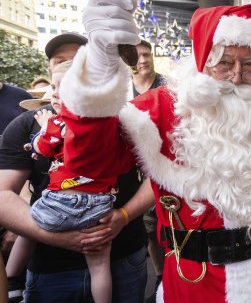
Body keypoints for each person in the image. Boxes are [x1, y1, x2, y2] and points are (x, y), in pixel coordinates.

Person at [51, 0, 251, 302]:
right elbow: (90, 161)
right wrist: (99, 69)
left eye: (250, 65)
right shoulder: (161, 108)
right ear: (202, 62)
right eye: (223, 63)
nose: (237, 76)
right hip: (190, 280)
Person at [0, 32, 148, 303]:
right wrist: (58, 237)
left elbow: (158, 178)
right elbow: (2, 196)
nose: (70, 69)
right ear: (50, 71)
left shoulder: (128, 118)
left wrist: (123, 216)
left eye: (79, 61)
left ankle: (11, 277)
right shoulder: (25, 123)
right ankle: (12, 280)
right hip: (51, 269)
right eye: (61, 61)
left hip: (124, 255)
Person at [27, 60, 118, 303]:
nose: (54, 93)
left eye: (61, 87)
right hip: (100, 203)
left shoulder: (57, 122)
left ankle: (13, 276)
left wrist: (44, 127)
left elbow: (43, 147)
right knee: (100, 266)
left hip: (61, 201)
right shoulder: (112, 120)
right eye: (53, 87)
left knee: (27, 223)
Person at [130, 39, 166, 302]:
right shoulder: (121, 90)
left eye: (147, 53)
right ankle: (160, 274)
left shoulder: (169, 85)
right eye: (138, 55)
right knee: (148, 228)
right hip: (133, 172)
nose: (143, 59)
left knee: (166, 224)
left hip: (163, 168)